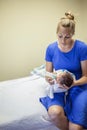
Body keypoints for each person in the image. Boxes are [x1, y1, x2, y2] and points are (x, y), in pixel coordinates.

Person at [40, 12, 87, 130]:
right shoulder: (51, 48)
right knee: (54, 113)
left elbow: (86, 76)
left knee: (76, 127)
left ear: (73, 34)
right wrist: (51, 79)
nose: (63, 40)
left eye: (67, 37)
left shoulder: (81, 48)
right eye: (60, 36)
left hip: (78, 85)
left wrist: (73, 83)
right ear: (57, 33)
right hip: (59, 84)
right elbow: (48, 74)